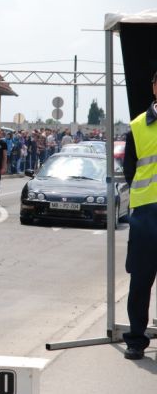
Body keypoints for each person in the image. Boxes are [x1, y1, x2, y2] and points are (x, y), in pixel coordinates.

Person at [121, 71, 157, 360]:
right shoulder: (136, 126)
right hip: (146, 214)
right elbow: (130, 171)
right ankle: (136, 339)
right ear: (154, 87)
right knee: (141, 281)